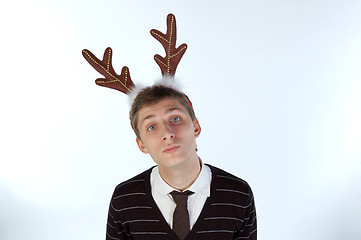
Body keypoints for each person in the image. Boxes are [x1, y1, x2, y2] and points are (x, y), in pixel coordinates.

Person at [82, 14, 257, 240]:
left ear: (196, 127)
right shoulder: (125, 199)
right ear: (141, 144)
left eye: (175, 119)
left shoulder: (238, 194)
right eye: (152, 127)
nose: (167, 133)